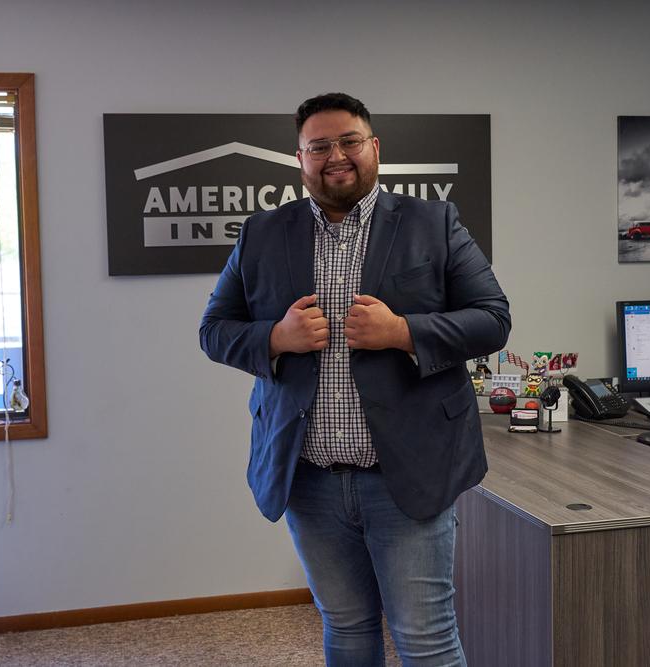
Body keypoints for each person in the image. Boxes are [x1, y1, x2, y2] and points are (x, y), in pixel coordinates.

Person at [200, 92, 510, 666]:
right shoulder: (263, 233)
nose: (335, 155)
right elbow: (214, 329)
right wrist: (275, 338)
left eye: (348, 141)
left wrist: (402, 332)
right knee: (345, 625)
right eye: (319, 146)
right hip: (308, 477)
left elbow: (493, 319)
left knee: (424, 636)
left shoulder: (433, 223)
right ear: (300, 158)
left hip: (408, 474)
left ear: (374, 149)